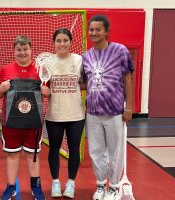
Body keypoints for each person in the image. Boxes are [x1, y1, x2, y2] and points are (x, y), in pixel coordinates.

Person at [82, 15, 134, 200]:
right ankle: (100, 185)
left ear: (106, 32)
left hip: (115, 111)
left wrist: (130, 108)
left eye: (98, 29)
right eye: (91, 29)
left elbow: (127, 79)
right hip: (93, 112)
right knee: (96, 152)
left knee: (115, 152)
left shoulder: (120, 50)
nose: (94, 33)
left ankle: (114, 187)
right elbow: (85, 82)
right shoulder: (86, 56)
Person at [0, 35, 46, 200]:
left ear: (31, 50)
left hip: (33, 122)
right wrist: (1, 88)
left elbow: (49, 92)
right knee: (12, 154)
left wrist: (48, 92)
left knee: (32, 154)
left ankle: (35, 187)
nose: (22, 53)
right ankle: (11, 187)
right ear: (14, 51)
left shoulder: (40, 70)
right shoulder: (6, 69)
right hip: (11, 122)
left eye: (25, 49)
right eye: (19, 49)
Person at [41, 28, 86, 199]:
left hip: (76, 115)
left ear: (70, 42)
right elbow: (44, 84)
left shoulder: (78, 60)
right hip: (54, 115)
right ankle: (55, 183)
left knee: (74, 149)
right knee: (53, 149)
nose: (62, 43)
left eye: (65, 40)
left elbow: (84, 82)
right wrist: (45, 89)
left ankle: (71, 184)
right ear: (54, 43)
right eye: (58, 40)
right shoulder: (48, 62)